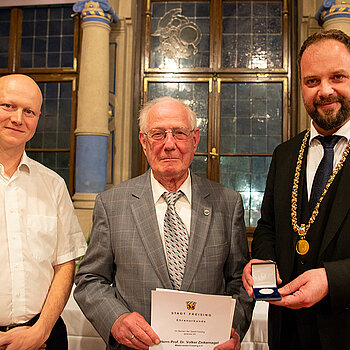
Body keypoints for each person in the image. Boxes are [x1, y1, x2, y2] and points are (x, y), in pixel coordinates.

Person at [74, 96, 254, 350]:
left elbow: (240, 280)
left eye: (179, 133)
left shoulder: (227, 203)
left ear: (194, 140)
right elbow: (90, 279)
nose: (169, 145)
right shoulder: (112, 204)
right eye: (158, 134)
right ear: (143, 142)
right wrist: (116, 319)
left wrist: (232, 328)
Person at [242, 29, 350, 350]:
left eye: (338, 77)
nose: (325, 91)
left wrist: (332, 279)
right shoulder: (286, 153)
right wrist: (262, 261)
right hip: (288, 331)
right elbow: (268, 228)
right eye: (312, 81)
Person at [0, 74, 87, 350]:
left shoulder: (53, 184)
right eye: (8, 106)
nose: (17, 119)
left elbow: (64, 264)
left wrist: (41, 330)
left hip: (45, 338)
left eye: (29, 111)